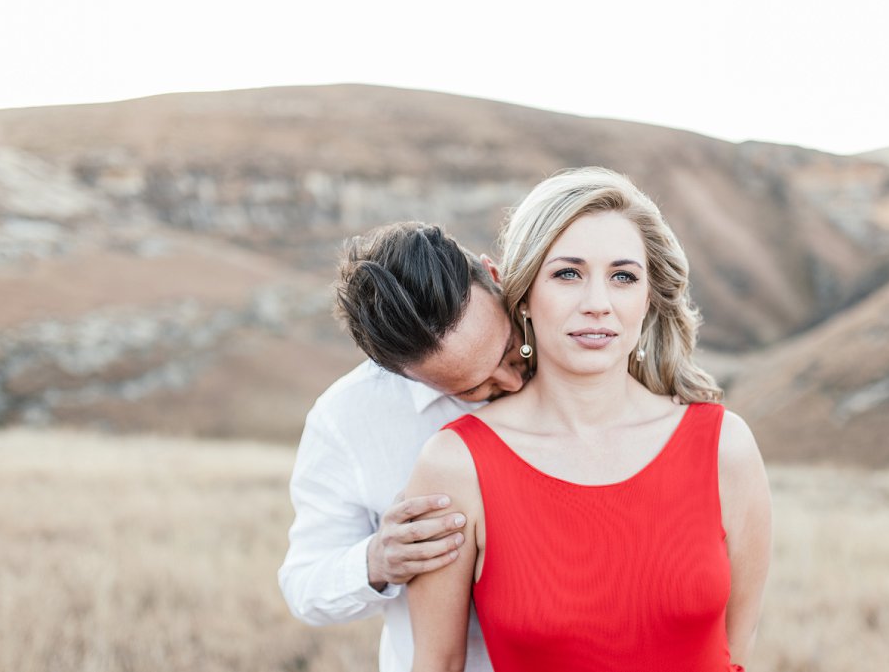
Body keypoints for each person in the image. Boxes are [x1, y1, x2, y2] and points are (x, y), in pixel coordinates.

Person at [406, 167, 772, 671]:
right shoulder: (456, 464)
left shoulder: (723, 447)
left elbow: (739, 643)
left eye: (623, 277)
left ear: (648, 299)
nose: (598, 304)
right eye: (567, 274)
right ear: (525, 294)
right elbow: (438, 664)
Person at [278, 222, 529, 672]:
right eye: (472, 387)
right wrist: (376, 560)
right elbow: (303, 589)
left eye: (511, 350)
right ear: (399, 373)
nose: (512, 382)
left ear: (494, 276)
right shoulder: (345, 418)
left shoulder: (568, 347)